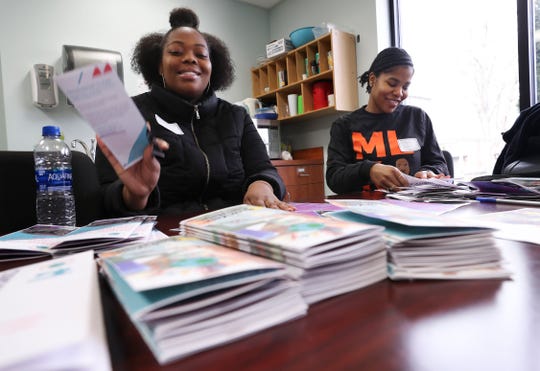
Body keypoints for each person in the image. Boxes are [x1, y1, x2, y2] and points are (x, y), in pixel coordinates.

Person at [96, 7, 292, 216]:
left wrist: (262, 184)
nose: (191, 59)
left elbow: (264, 169)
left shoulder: (236, 116)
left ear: (211, 67)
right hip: (163, 236)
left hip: (234, 231)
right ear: (159, 66)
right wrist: (134, 195)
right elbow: (104, 197)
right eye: (176, 52)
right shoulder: (126, 114)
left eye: (201, 54)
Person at [326, 47, 449, 194]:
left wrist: (429, 171)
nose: (399, 92)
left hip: (413, 210)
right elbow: (334, 178)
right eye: (392, 83)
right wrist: (368, 169)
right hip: (365, 210)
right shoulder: (344, 125)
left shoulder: (417, 118)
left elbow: (440, 164)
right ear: (372, 80)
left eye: (405, 86)